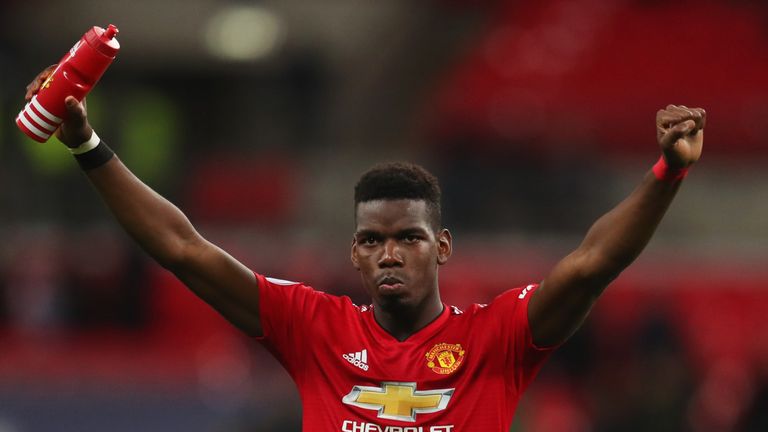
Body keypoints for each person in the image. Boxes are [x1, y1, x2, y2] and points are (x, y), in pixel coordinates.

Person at [23, 66, 705, 431]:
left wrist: (667, 171)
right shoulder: (312, 328)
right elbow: (182, 248)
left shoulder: (497, 338)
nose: (390, 253)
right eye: (373, 240)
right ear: (353, 254)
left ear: (441, 247)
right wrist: (86, 143)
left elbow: (592, 264)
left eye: (408, 238)